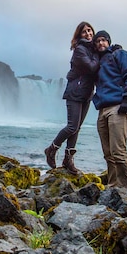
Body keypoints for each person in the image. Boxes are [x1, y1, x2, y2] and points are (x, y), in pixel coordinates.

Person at [44, 21, 100, 174]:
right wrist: (98, 55)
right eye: (84, 32)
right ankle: (51, 149)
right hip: (75, 92)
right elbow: (91, 67)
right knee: (72, 127)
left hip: (87, 94)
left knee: (77, 128)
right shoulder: (80, 50)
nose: (88, 34)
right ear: (79, 35)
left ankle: (68, 160)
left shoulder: (92, 50)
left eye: (90, 30)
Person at [92, 30, 127, 190]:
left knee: (118, 151)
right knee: (108, 153)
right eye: (97, 41)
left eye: (103, 40)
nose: (100, 43)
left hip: (118, 107)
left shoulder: (119, 54)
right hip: (102, 109)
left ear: (109, 41)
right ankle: (113, 187)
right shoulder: (97, 63)